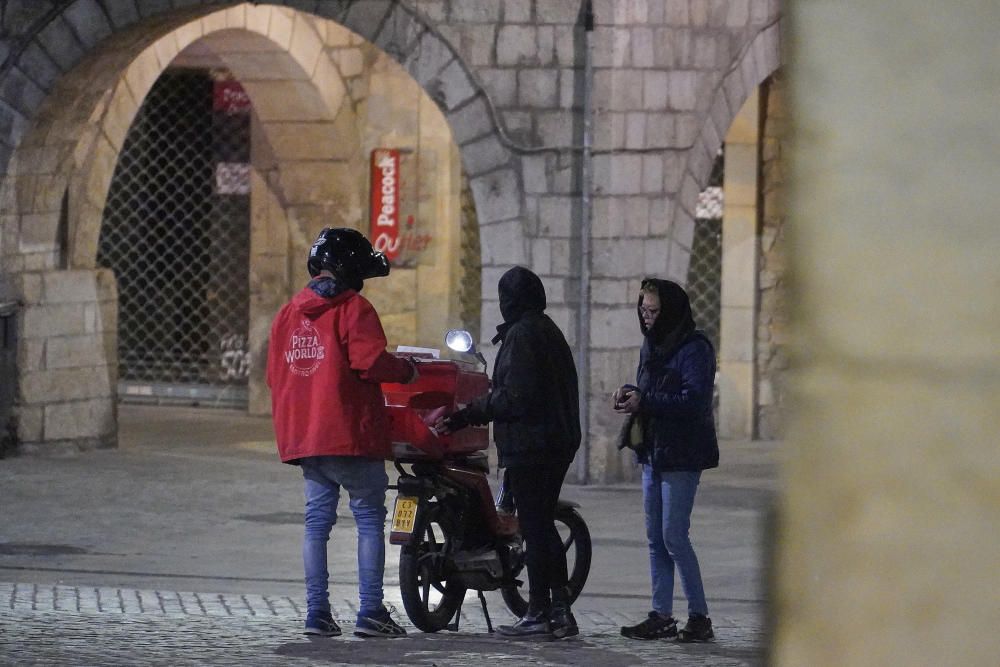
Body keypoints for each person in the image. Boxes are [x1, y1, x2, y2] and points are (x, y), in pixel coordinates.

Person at [266, 227, 418, 639]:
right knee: (369, 520)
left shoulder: (287, 314)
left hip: (308, 440)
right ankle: (371, 610)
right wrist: (406, 369)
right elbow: (370, 363)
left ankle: (317, 613)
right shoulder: (355, 310)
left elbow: (274, 376)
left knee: (317, 524)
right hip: (351, 434)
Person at [435, 266, 581, 639]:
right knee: (542, 525)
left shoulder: (523, 335)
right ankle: (560, 612)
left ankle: (538, 612)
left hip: (534, 446)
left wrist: (469, 413)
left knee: (535, 526)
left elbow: (514, 397)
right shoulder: (546, 330)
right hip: (554, 441)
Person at [615, 278, 719, 643]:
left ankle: (699, 616)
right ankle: (661, 614)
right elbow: (652, 389)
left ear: (671, 311)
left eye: (654, 311)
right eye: (642, 309)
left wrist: (647, 401)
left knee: (674, 535)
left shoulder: (695, 348)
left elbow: (695, 401)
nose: (646, 317)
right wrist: (632, 393)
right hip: (654, 452)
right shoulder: (651, 344)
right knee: (655, 538)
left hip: (682, 453)